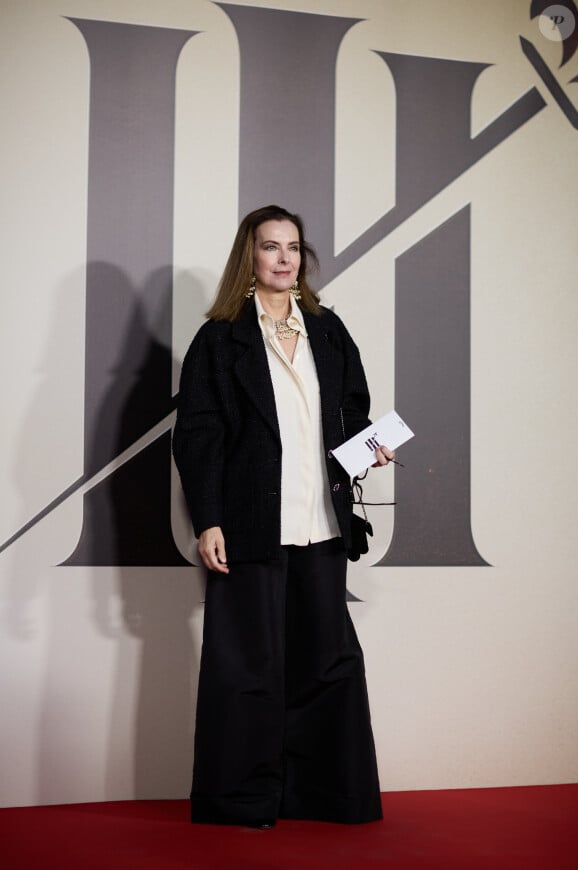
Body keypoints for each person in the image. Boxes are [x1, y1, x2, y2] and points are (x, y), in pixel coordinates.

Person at [172, 205, 395, 828]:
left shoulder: (328, 330)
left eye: (292, 247)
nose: (283, 257)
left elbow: (350, 414)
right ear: (250, 257)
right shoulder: (220, 338)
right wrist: (209, 519)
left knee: (328, 662)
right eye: (270, 247)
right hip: (249, 525)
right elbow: (199, 436)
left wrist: (369, 449)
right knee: (246, 666)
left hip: (322, 521)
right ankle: (240, 801)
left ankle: (328, 797)